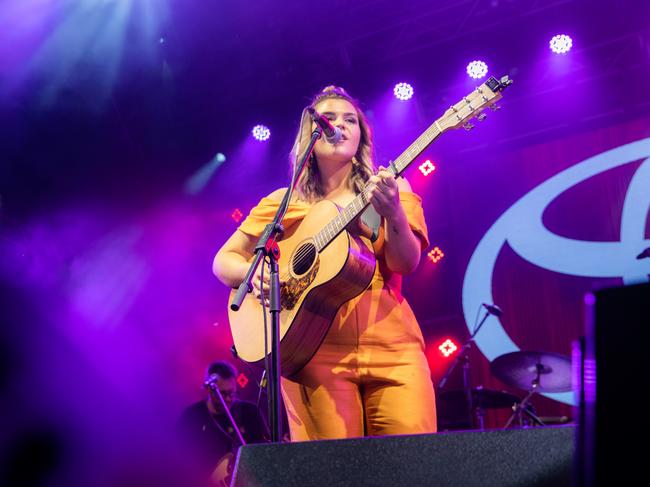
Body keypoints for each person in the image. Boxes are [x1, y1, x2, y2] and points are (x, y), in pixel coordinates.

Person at [212, 86, 437, 441]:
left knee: (413, 467)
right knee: (330, 474)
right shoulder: (282, 203)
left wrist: (392, 210)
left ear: (361, 136)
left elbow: (406, 263)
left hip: (394, 349)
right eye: (328, 119)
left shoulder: (391, 188)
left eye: (350, 120)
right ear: (310, 136)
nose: (339, 126)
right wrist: (256, 277)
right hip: (311, 352)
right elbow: (223, 261)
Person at [177, 361, 269, 484]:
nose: (228, 398)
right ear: (210, 389)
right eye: (223, 394)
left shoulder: (250, 412)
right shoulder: (192, 416)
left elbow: (265, 449)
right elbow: (178, 458)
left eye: (232, 393)